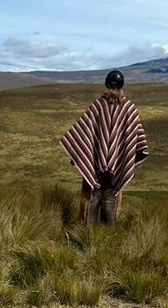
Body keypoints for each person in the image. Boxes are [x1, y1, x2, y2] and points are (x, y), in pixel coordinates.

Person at [60, 69, 149, 225]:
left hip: (94, 163)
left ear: (106, 84)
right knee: (112, 196)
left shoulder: (97, 105)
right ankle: (108, 233)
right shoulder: (129, 108)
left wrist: (79, 156)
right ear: (122, 85)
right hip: (117, 163)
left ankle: (88, 232)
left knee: (91, 196)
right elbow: (137, 140)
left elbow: (83, 133)